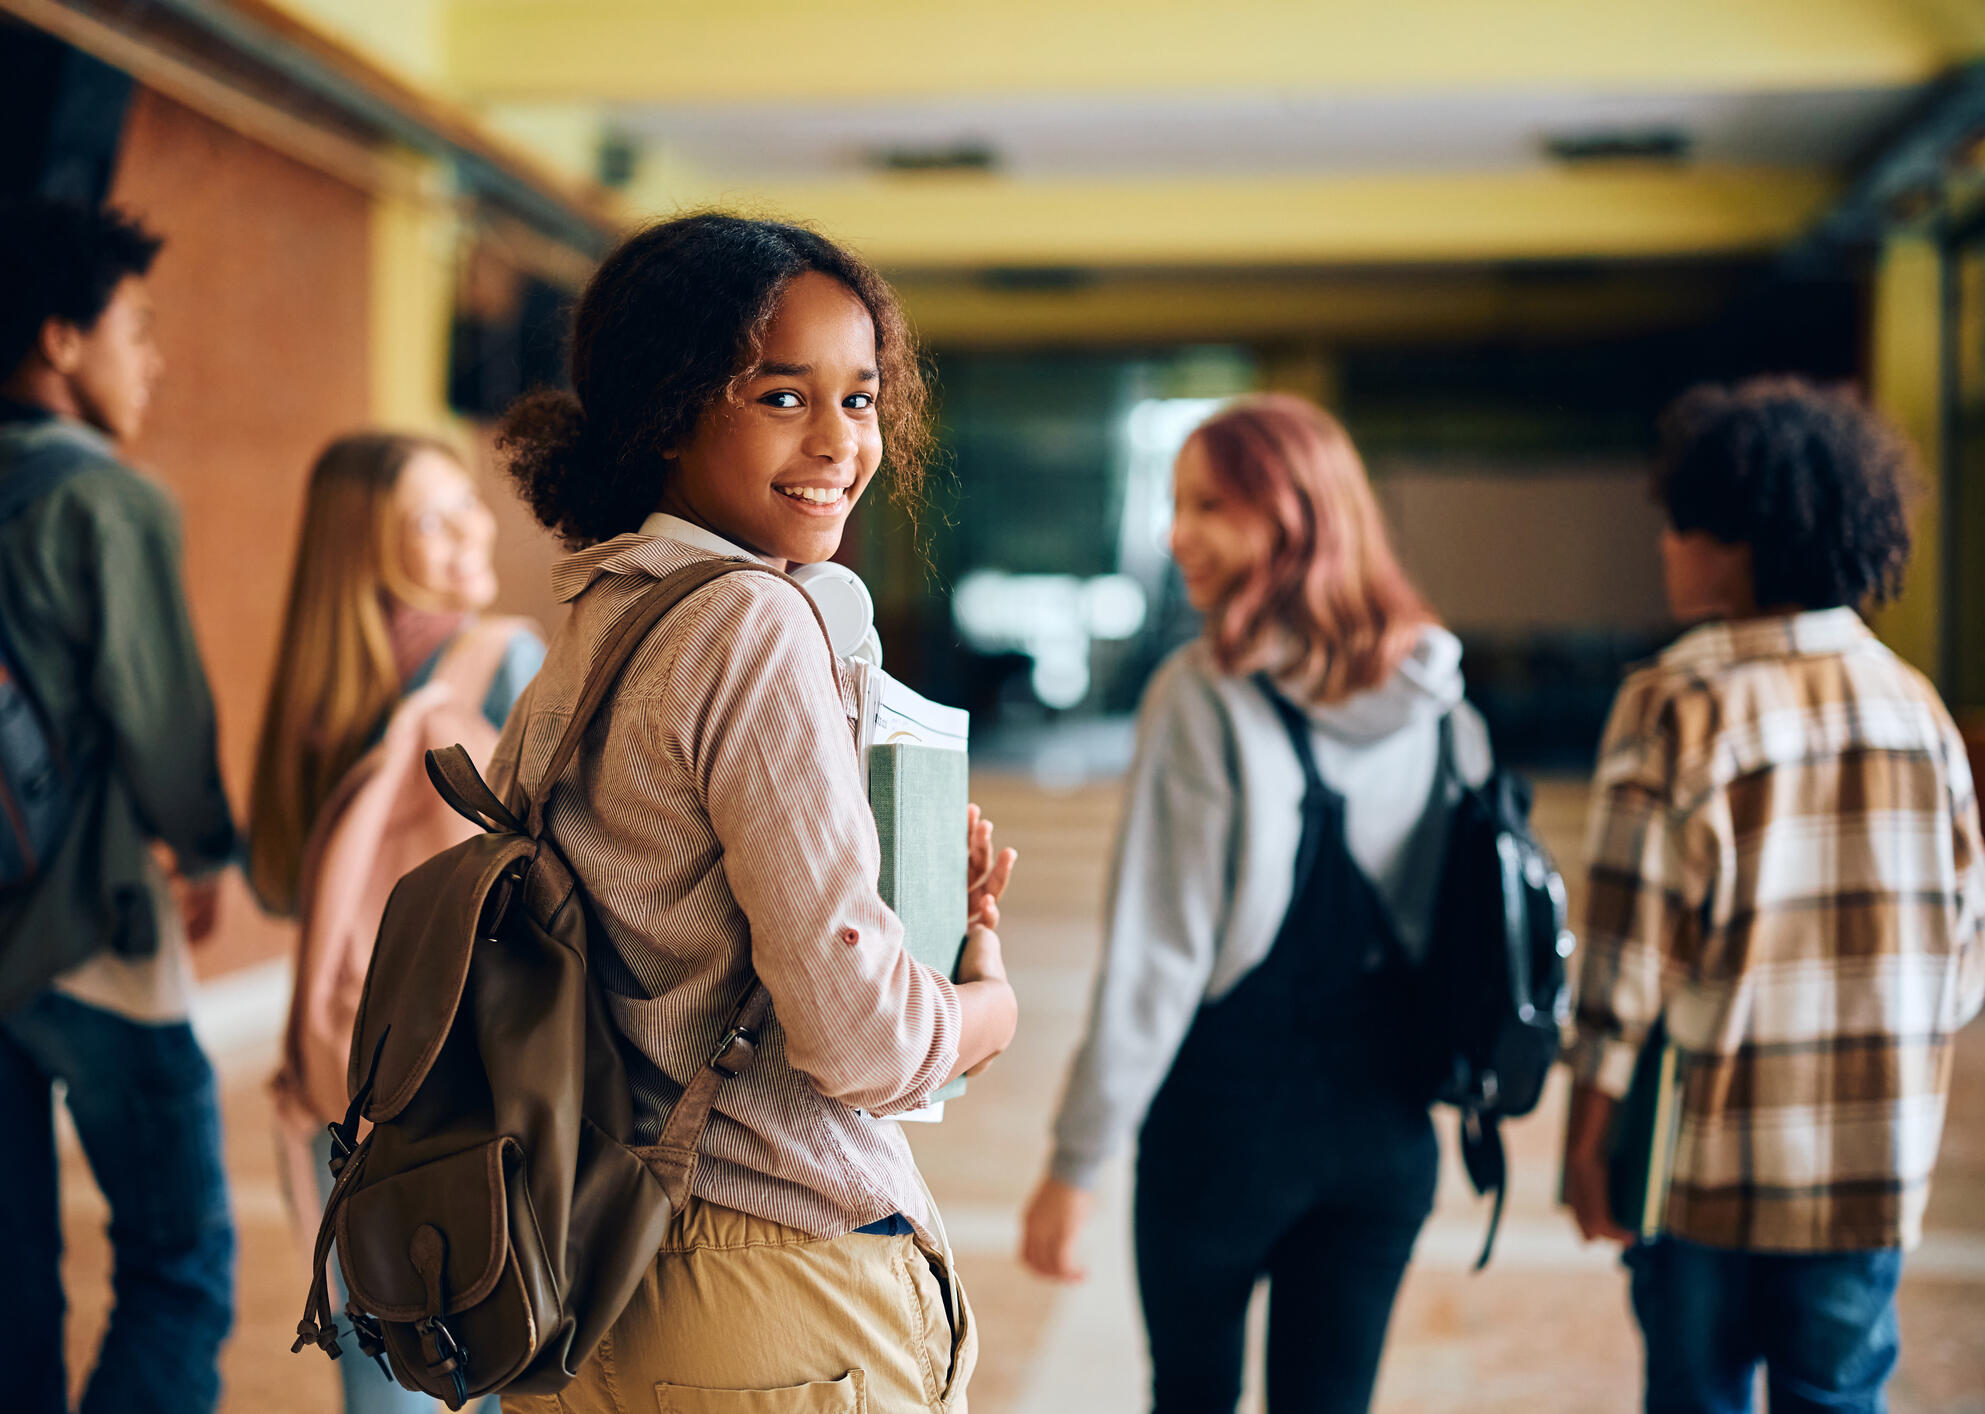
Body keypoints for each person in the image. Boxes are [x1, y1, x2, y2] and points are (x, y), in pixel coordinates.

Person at [486, 212, 1017, 1414]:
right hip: (771, 1290)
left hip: (589, 1269)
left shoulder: (598, 622)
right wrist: (986, 1002)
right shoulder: (753, 625)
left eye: (862, 399)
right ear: (669, 412)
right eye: (783, 397)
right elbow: (864, 1044)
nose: (839, 442)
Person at [1020, 395, 1490, 1414]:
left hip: (1224, 1134)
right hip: (1390, 1135)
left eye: (1209, 506)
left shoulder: (1203, 695)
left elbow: (1158, 956)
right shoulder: (1443, 699)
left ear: (1290, 517)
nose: (1174, 533)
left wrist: (1075, 1162)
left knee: (1191, 1396)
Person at [0, 200, 237, 1412]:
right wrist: (211, 850)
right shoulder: (109, 501)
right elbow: (161, 719)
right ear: (59, 341)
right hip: (91, 933)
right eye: (135, 328)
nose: (154, 358)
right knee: (179, 1273)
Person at [1562, 377, 1985, 1414]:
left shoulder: (1676, 699)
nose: (1666, 546)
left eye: (1680, 524)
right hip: (1873, 1173)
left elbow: (1626, 958)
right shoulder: (1915, 706)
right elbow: (1963, 954)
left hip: (1710, 1169)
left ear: (1738, 539)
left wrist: (1586, 1133)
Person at [249, 432, 543, 1414]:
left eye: (466, 502)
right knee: (494, 1348)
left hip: (344, 1081)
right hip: (467, 1082)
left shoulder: (315, 701)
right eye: (430, 515)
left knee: (386, 1375)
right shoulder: (501, 662)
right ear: (361, 544)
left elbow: (283, 884)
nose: (470, 528)